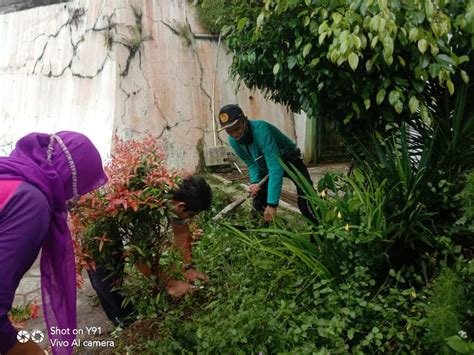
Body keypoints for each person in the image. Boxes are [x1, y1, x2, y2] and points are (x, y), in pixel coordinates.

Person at [0, 132, 108, 355]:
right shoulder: (30, 202)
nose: (75, 200)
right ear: (70, 177)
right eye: (79, 191)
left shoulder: (8, 174)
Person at [87, 175, 212, 326]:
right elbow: (138, 255)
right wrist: (170, 284)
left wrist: (187, 267)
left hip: (116, 203)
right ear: (180, 206)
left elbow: (181, 232)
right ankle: (123, 320)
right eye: (190, 215)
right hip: (93, 213)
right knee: (104, 268)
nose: (189, 219)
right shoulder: (144, 211)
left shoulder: (172, 194)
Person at [218, 104, 316, 223]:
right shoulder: (233, 141)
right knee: (259, 201)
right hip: (265, 164)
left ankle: (319, 232)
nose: (234, 134)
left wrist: (272, 204)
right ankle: (264, 231)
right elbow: (251, 163)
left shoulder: (261, 130)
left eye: (237, 128)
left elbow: (275, 168)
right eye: (229, 131)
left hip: (290, 160)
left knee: (307, 199)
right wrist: (255, 182)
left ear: (245, 120)